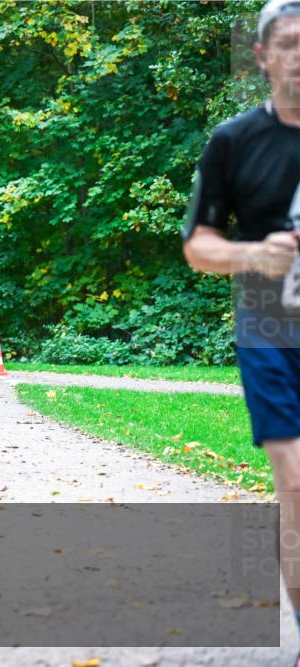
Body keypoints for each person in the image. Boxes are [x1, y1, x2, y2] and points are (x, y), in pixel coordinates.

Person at [182, 0, 300, 658]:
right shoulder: (233, 140)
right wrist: (254, 253)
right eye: (288, 44)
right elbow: (198, 246)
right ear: (263, 57)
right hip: (268, 327)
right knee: (295, 480)